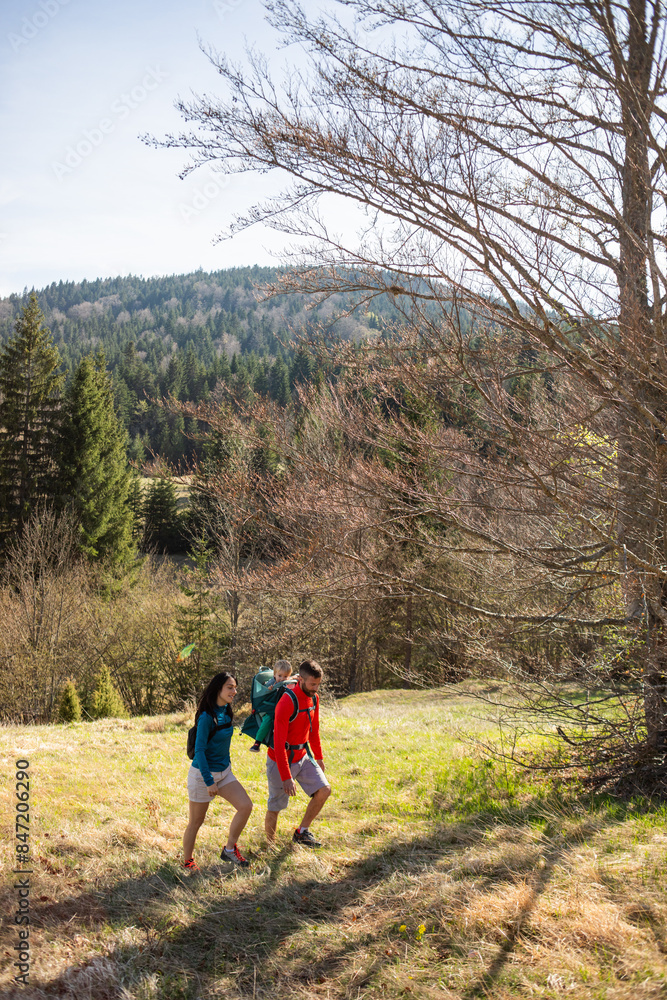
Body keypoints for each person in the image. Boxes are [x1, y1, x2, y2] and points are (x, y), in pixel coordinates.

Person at [183, 671, 253, 871]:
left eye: (235, 687)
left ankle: (229, 849)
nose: (234, 691)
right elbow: (199, 751)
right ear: (218, 689)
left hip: (224, 773)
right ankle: (188, 862)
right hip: (203, 776)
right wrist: (208, 781)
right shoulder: (207, 717)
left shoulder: (227, 711)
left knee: (246, 806)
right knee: (196, 822)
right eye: (230, 687)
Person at [265, 658, 331, 848]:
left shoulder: (314, 698)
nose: (316, 688)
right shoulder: (286, 701)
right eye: (312, 684)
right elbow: (278, 744)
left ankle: (302, 832)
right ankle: (270, 846)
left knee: (324, 790)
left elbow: (314, 730)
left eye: (318, 684)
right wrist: (286, 777)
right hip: (279, 760)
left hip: (303, 756)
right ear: (300, 680)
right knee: (275, 806)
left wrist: (319, 757)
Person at [249, 658, 294, 752]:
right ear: (274, 675)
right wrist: (269, 689)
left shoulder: (287, 683)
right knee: (268, 720)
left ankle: (285, 741)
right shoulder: (271, 682)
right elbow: (264, 690)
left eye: (285, 676)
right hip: (267, 708)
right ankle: (257, 742)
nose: (282, 679)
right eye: (280, 676)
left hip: (279, 708)